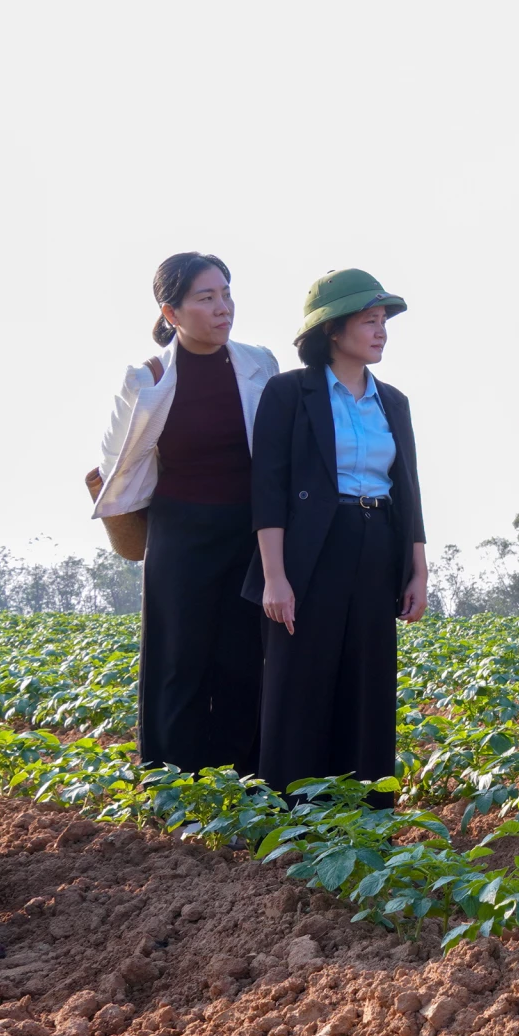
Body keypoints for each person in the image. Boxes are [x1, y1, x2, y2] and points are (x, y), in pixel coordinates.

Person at [92, 254, 279, 775]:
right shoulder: (146, 377)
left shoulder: (259, 363)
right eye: (206, 298)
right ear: (170, 313)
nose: (224, 308)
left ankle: (244, 782)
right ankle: (173, 786)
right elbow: (115, 462)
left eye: (226, 294)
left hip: (248, 531)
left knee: (244, 660)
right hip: (179, 531)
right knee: (179, 661)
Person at [246, 270, 428, 801]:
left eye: (383, 322)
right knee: (299, 682)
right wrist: (274, 577)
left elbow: (409, 488)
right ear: (331, 329)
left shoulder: (393, 401)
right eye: (369, 321)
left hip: (377, 544)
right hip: (310, 553)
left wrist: (417, 567)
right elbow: (269, 490)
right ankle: (290, 817)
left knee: (369, 682)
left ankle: (368, 814)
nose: (381, 332)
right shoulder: (288, 393)